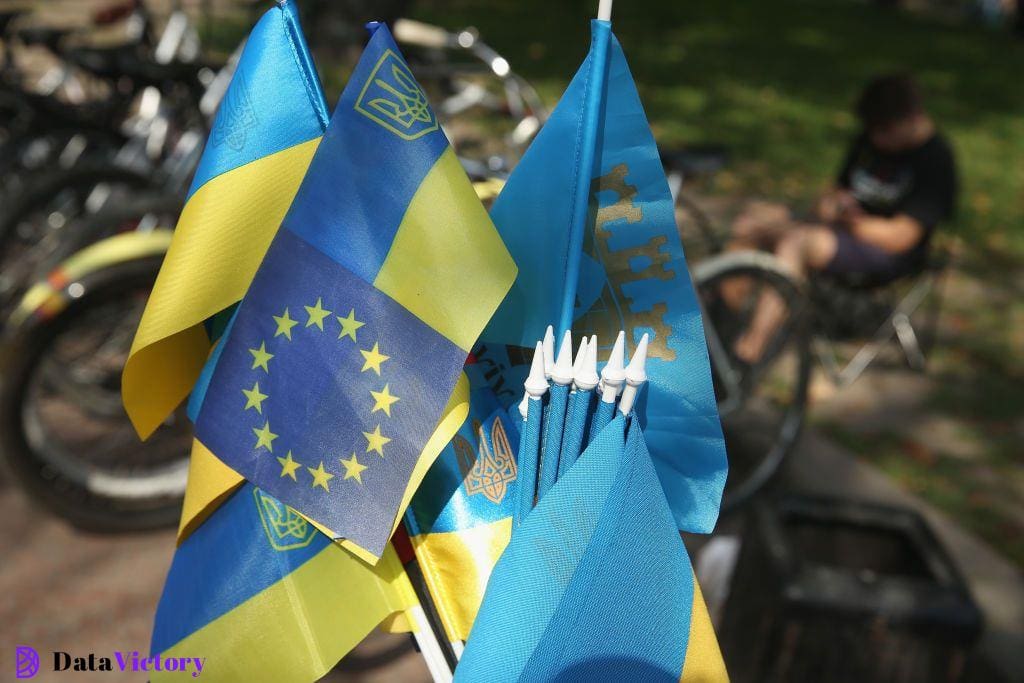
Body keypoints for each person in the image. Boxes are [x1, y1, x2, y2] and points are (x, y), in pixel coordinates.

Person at [728, 73, 957, 363]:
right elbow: (836, 189)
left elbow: (902, 236)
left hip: (887, 253)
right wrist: (831, 204)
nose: (876, 138)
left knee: (795, 242)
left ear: (911, 118)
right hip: (840, 230)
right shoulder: (870, 139)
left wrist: (851, 222)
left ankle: (747, 353)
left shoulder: (936, 159)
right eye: (872, 130)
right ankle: (722, 325)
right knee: (751, 223)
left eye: (884, 130)